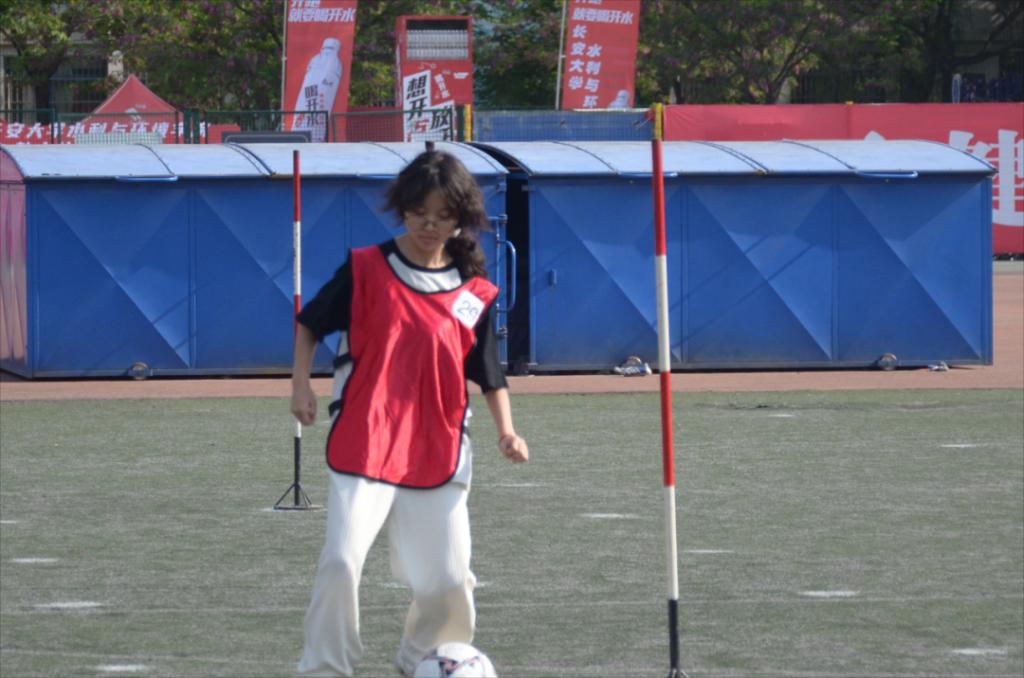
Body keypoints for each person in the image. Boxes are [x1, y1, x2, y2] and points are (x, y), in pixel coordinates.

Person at [290, 150, 529, 677]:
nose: (429, 224)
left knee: (449, 580)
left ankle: (424, 657)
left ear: (460, 218)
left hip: (437, 444)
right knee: (341, 562)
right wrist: (300, 385)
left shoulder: (473, 292)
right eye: (420, 212)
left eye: (443, 215)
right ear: (403, 209)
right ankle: (326, 668)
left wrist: (507, 432)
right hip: (366, 438)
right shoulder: (366, 268)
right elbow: (310, 323)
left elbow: (488, 370)